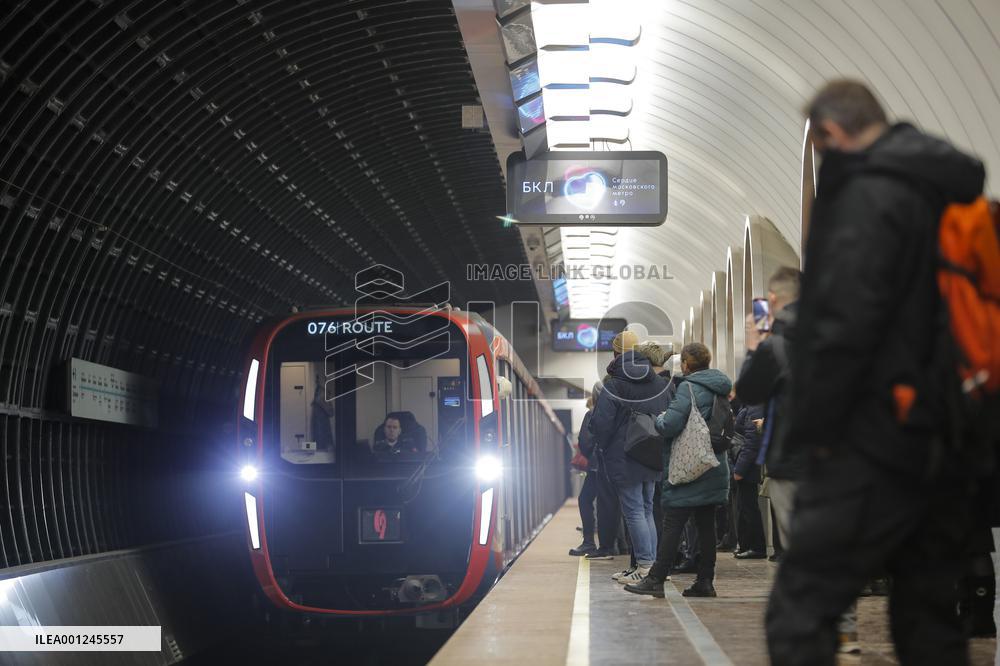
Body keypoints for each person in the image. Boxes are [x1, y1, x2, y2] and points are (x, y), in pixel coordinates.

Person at [765, 80, 985, 666]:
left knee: (800, 607)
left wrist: (814, 437)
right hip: (949, 432)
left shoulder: (868, 197)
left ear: (831, 133)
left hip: (875, 433)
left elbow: (844, 325)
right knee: (930, 615)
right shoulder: (946, 186)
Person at [738, 266, 860, 652]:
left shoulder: (776, 343)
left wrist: (754, 344)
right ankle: (845, 627)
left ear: (772, 301)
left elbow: (749, 390)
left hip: (793, 459)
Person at [625, 342, 731, 598]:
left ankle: (656, 579)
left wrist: (660, 418)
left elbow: (670, 425)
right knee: (706, 527)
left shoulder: (689, 388)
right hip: (714, 464)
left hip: (689, 467)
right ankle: (705, 581)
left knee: (672, 522)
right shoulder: (721, 387)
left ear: (685, 364)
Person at [590, 331, 670, 582]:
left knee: (634, 512)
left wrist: (604, 447)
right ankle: (651, 566)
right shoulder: (660, 383)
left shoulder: (614, 384)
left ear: (615, 354)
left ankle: (645, 567)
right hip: (653, 453)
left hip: (624, 456)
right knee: (646, 510)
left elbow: (601, 423)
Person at [731, 402, 766, 558]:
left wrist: (740, 469)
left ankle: (756, 546)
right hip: (746, 463)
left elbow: (752, 443)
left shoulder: (755, 408)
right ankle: (747, 544)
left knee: (748, 507)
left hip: (748, 466)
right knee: (744, 506)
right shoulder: (750, 407)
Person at [570, 396, 600, 556]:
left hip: (596, 467)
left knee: (585, 500)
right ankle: (620, 545)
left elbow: (584, 442)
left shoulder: (592, 414)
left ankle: (589, 542)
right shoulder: (621, 409)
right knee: (613, 505)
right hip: (615, 466)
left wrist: (590, 457)